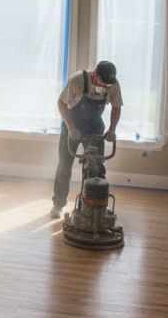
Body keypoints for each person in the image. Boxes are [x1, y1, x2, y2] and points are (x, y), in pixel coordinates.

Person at [50, 60, 123, 218]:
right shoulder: (77, 80)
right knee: (64, 164)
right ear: (95, 75)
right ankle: (58, 204)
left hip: (95, 126)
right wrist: (70, 127)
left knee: (96, 167)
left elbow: (116, 107)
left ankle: (90, 207)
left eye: (108, 85)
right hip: (72, 124)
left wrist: (112, 130)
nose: (105, 87)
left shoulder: (113, 84)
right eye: (103, 83)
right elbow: (61, 103)